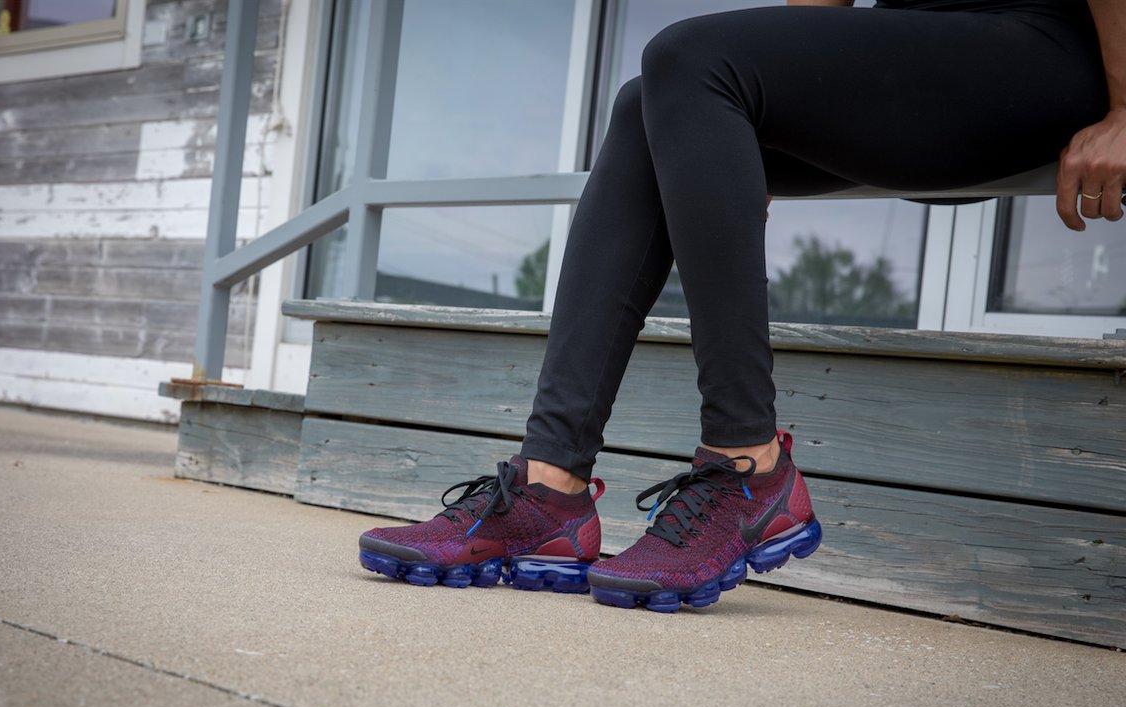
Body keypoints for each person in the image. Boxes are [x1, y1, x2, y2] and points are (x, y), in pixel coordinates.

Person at [358, 0, 1126, 612]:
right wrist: (758, 114)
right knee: (646, 105)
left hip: (1044, 51)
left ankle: (749, 467)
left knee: (689, 59)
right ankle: (549, 492)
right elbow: (820, 23)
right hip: (918, 64)